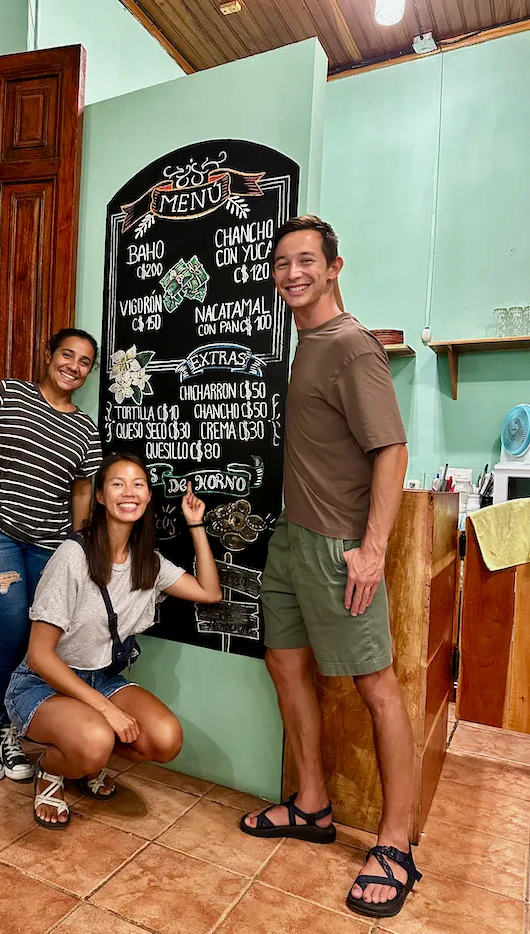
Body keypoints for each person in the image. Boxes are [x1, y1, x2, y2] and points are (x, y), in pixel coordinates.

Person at [239, 216, 420, 920]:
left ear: (335, 266)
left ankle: (396, 845)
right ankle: (311, 804)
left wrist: (372, 549)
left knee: (376, 686)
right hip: (290, 538)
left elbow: (392, 451)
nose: (292, 273)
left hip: (337, 547)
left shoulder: (350, 347)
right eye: (282, 263)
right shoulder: (305, 343)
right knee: (284, 664)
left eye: (306, 260)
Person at [5, 452, 222, 829]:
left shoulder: (147, 562)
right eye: (117, 484)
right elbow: (40, 656)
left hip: (102, 678)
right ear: (101, 496)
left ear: (149, 496)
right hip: (44, 684)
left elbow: (209, 592)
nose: (129, 492)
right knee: (95, 739)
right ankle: (53, 768)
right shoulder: (73, 556)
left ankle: (88, 756)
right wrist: (107, 712)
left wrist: (196, 525)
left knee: (165, 739)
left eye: (138, 484)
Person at [0, 328, 102, 785]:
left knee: (38, 639)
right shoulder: (9, 392)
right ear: (48, 356)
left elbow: (84, 487)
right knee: (11, 628)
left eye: (84, 361)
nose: (73, 366)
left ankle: (13, 729)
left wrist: (77, 537)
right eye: (66, 355)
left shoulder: (86, 427)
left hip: (48, 545)